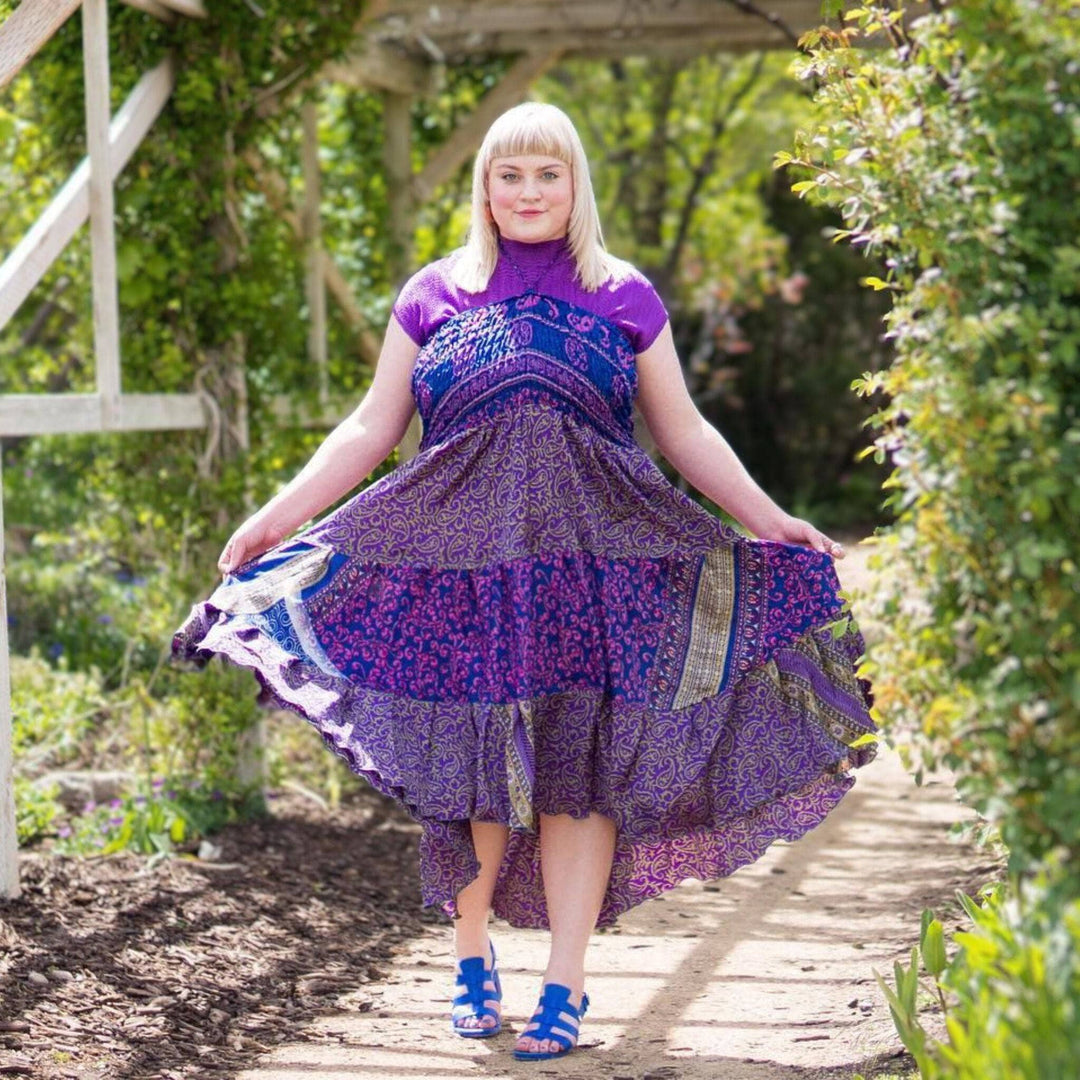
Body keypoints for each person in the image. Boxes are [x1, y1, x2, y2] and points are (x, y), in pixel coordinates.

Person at [173, 101, 878, 1063]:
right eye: (510, 176)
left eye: (548, 174)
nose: (529, 192)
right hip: (459, 579)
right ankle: (470, 963)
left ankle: (567, 985)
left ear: (575, 185)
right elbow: (371, 432)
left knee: (577, 783)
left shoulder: (623, 293)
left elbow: (684, 433)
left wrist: (769, 520)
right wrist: (275, 517)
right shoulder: (436, 293)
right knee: (475, 781)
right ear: (486, 189)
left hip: (596, 579)